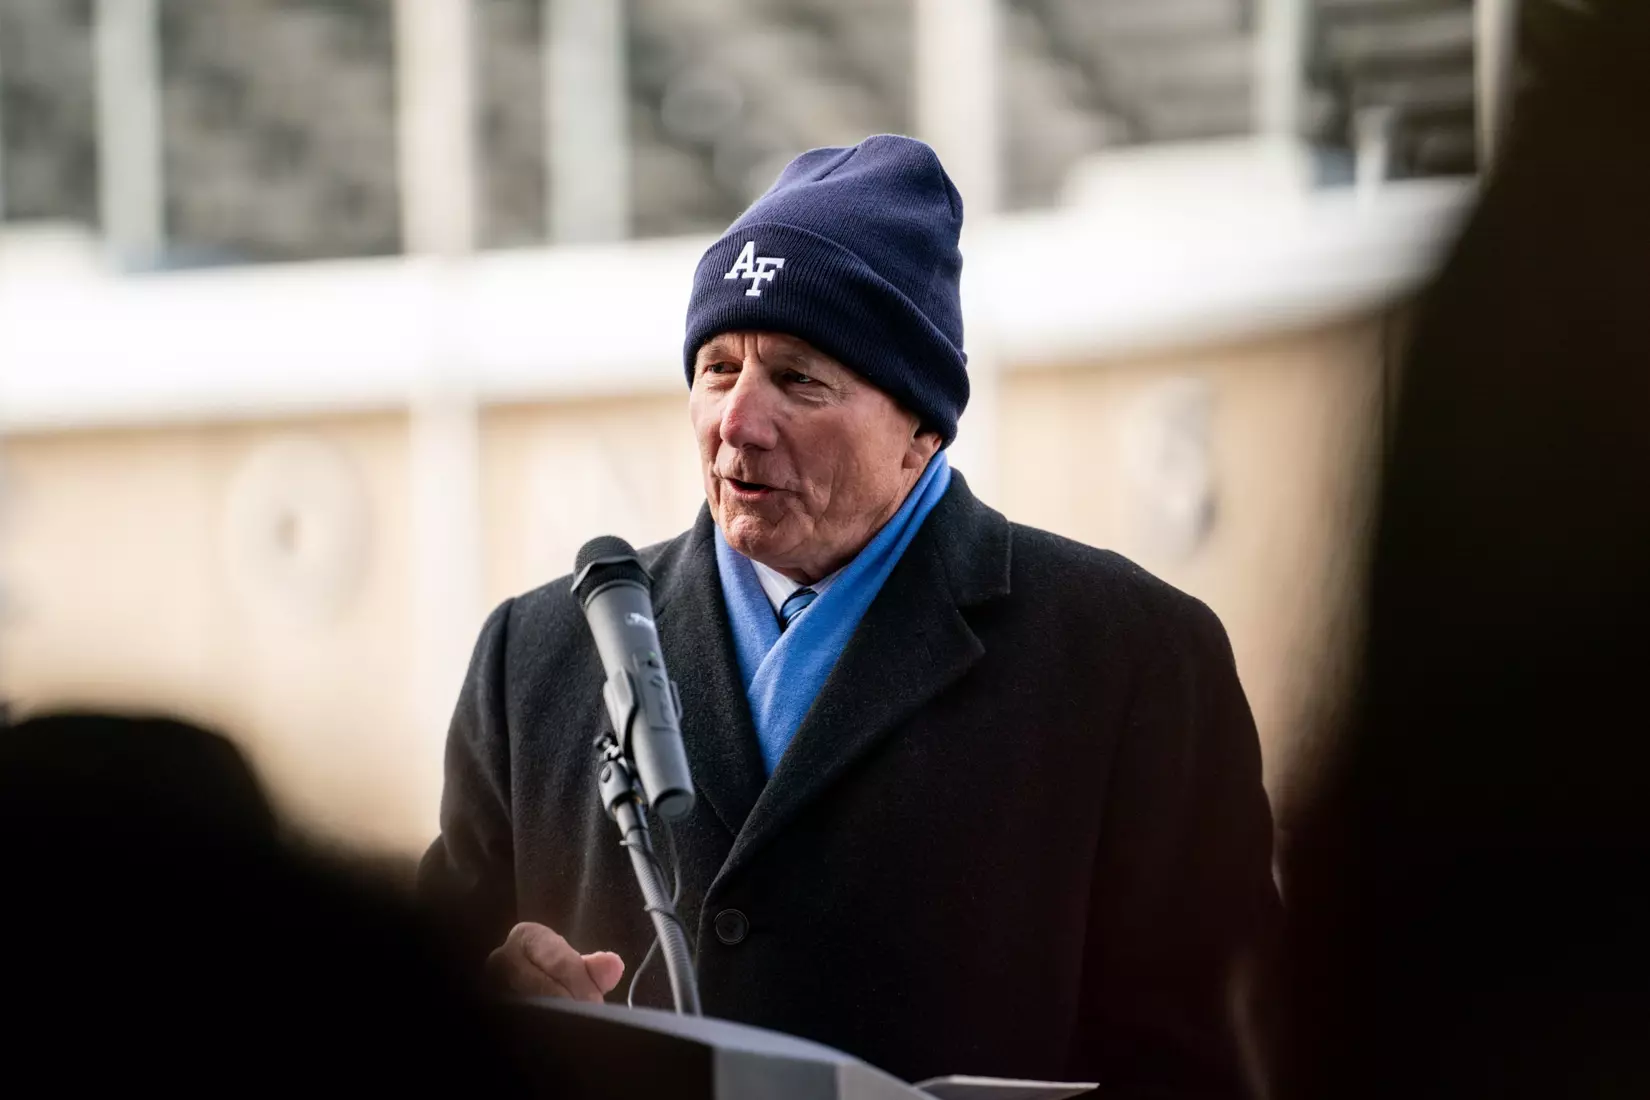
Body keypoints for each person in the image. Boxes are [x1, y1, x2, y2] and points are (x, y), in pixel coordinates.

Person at [419, 135, 1279, 1094]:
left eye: (799, 379)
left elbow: (1215, 1063)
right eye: (717, 367)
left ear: (921, 430)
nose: (738, 421)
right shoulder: (533, 657)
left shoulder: (1131, 662)